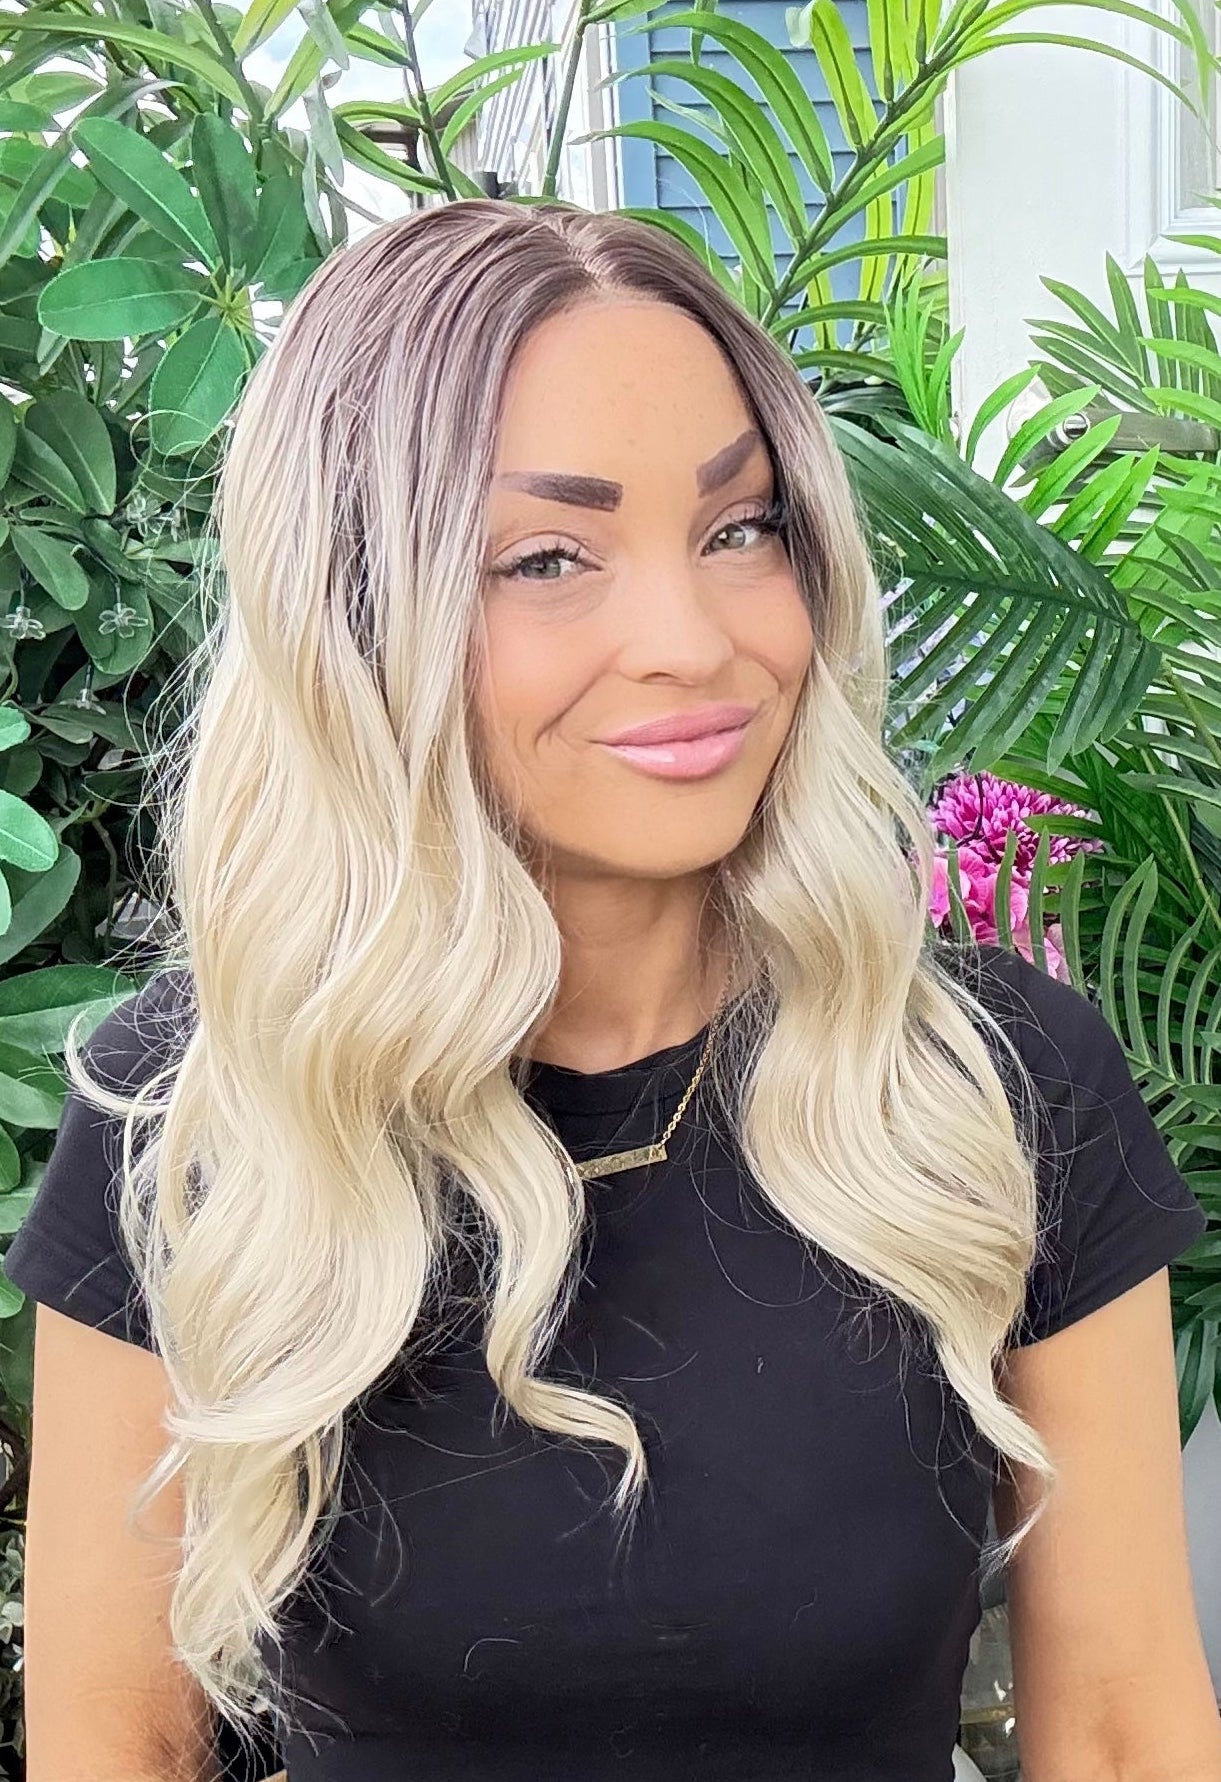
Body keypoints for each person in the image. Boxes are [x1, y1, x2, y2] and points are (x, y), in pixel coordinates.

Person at [2, 199, 1211, 1782]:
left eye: (737, 528)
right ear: (357, 614)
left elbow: (1125, 1728)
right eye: (548, 556)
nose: (690, 640)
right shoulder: (197, 1116)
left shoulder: (985, 1084)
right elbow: (115, 1737)